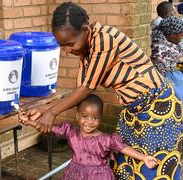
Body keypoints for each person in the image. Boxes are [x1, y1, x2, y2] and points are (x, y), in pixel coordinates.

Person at [19, 2, 182, 179]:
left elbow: (87, 88)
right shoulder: (85, 50)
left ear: (85, 30)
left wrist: (51, 112)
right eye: (62, 46)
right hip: (133, 111)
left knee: (153, 168)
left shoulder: (105, 39)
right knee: (124, 166)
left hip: (157, 108)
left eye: (70, 44)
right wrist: (42, 110)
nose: (67, 50)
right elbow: (80, 91)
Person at [20, 95, 158, 180]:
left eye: (95, 118)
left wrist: (144, 157)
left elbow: (123, 148)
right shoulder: (70, 132)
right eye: (85, 116)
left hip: (99, 176)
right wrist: (29, 122)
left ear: (100, 119)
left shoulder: (106, 139)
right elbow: (48, 129)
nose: (89, 122)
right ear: (77, 116)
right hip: (75, 174)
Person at [151, 16, 183, 101]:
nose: (182, 36)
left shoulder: (168, 42)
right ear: (172, 35)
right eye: (181, 34)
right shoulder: (161, 50)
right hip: (165, 81)